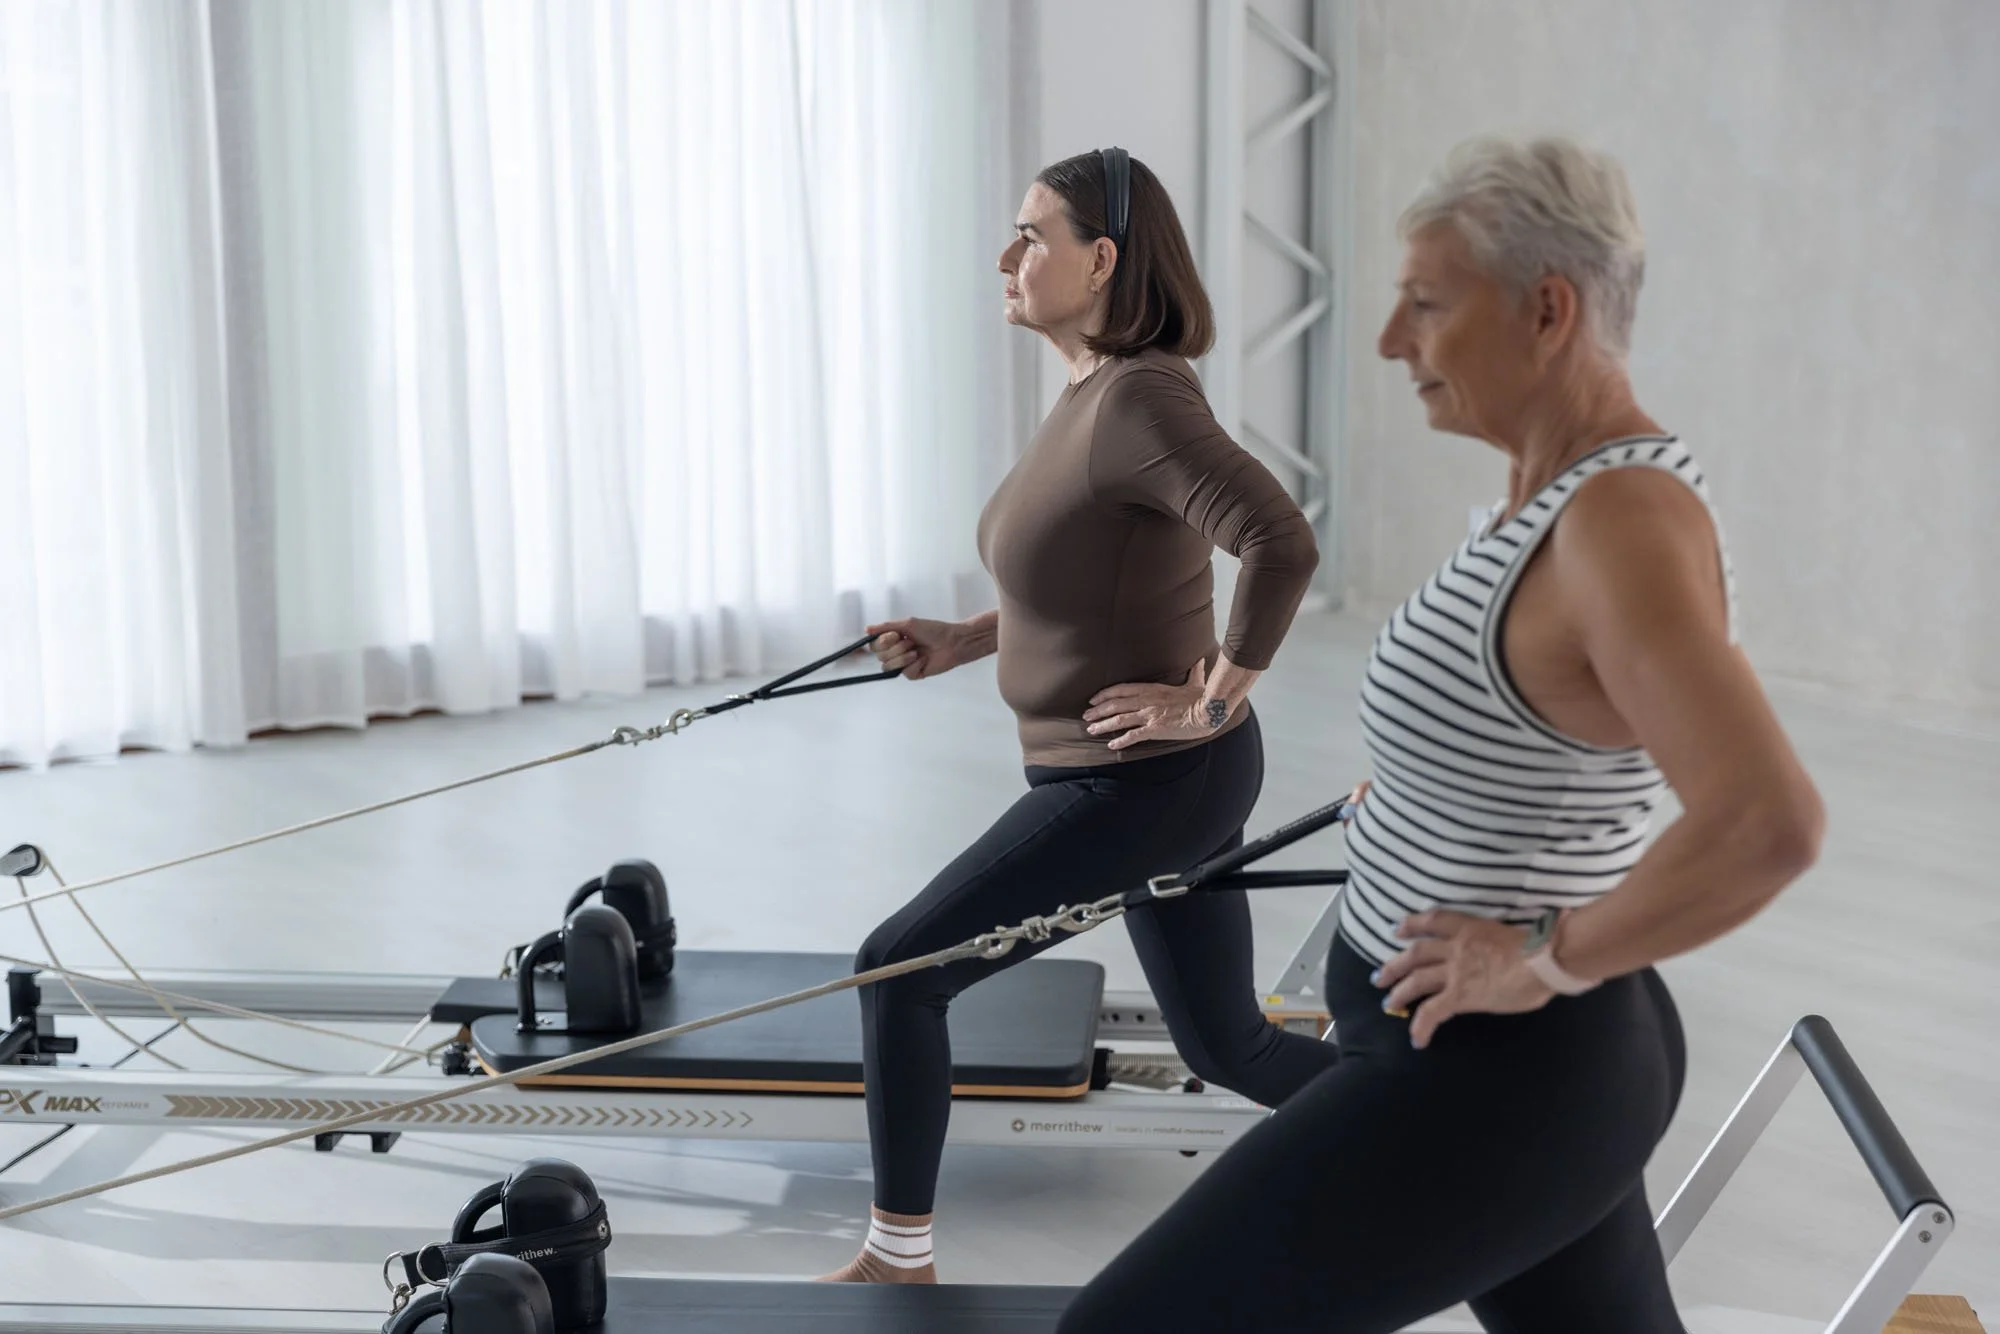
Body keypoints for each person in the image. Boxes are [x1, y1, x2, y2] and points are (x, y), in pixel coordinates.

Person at [1056, 135, 1826, 1332]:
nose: (1386, 341)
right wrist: (1424, 786)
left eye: (1424, 302)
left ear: (1547, 310)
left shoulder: (1616, 516)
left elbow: (1764, 824)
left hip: (1499, 1071)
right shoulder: (1545, 494)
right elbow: (1544, 719)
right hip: (1506, 1054)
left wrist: (1543, 957)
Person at [817, 149, 1341, 1284]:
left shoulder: (1137, 397)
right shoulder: (1091, 393)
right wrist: (963, 638)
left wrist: (1209, 695)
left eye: (1033, 235)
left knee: (898, 968)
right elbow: (1091, 578)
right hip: (1157, 776)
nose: (1008, 256)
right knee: (1227, 1042)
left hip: (1142, 782)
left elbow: (1278, 542)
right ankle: (1428, 1122)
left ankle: (896, 1253)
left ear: (1099, 261)